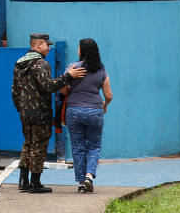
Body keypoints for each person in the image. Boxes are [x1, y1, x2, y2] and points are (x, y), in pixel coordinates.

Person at [12, 33, 87, 193]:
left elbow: (15, 92)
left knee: (28, 144)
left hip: (25, 113)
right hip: (40, 113)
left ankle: (23, 181)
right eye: (47, 45)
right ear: (38, 45)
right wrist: (68, 76)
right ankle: (35, 183)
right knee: (39, 146)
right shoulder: (40, 64)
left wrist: (21, 108)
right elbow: (48, 86)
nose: (49, 48)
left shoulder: (20, 63)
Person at [59, 38, 113, 194]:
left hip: (74, 111)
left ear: (81, 51)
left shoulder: (72, 68)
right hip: (94, 111)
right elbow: (108, 95)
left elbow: (62, 91)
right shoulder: (101, 69)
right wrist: (105, 106)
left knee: (78, 147)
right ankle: (89, 176)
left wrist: (71, 79)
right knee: (94, 146)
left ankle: (81, 183)